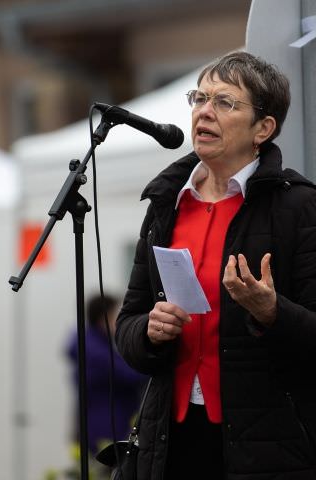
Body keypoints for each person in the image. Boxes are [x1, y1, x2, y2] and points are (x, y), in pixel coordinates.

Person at [115, 50, 316, 479]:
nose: (204, 112)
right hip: (171, 440)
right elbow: (128, 324)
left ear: (263, 128)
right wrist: (150, 332)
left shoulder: (299, 207)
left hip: (265, 447)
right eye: (199, 98)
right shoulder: (167, 203)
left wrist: (271, 313)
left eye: (224, 103)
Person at [66, 293, 146, 455]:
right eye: (117, 314)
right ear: (103, 317)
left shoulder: (94, 343)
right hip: (106, 427)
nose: (120, 319)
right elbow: (132, 375)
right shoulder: (96, 351)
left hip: (99, 423)